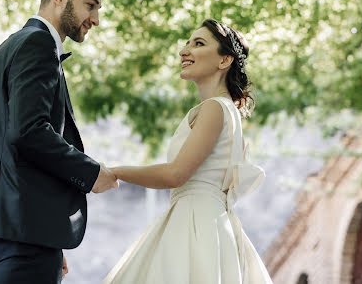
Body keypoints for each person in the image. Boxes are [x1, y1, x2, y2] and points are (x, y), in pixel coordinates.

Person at [0, 0, 118, 284]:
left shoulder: (12, 45)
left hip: (16, 227)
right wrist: (91, 172)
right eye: (90, 5)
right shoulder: (38, 45)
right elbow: (28, 131)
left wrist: (48, 236)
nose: (95, 19)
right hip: (22, 232)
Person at [104, 19, 273, 283]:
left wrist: (115, 171)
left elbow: (176, 174)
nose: (185, 51)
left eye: (198, 43)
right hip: (210, 222)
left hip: (196, 224)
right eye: (187, 43)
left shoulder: (215, 108)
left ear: (224, 60)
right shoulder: (225, 110)